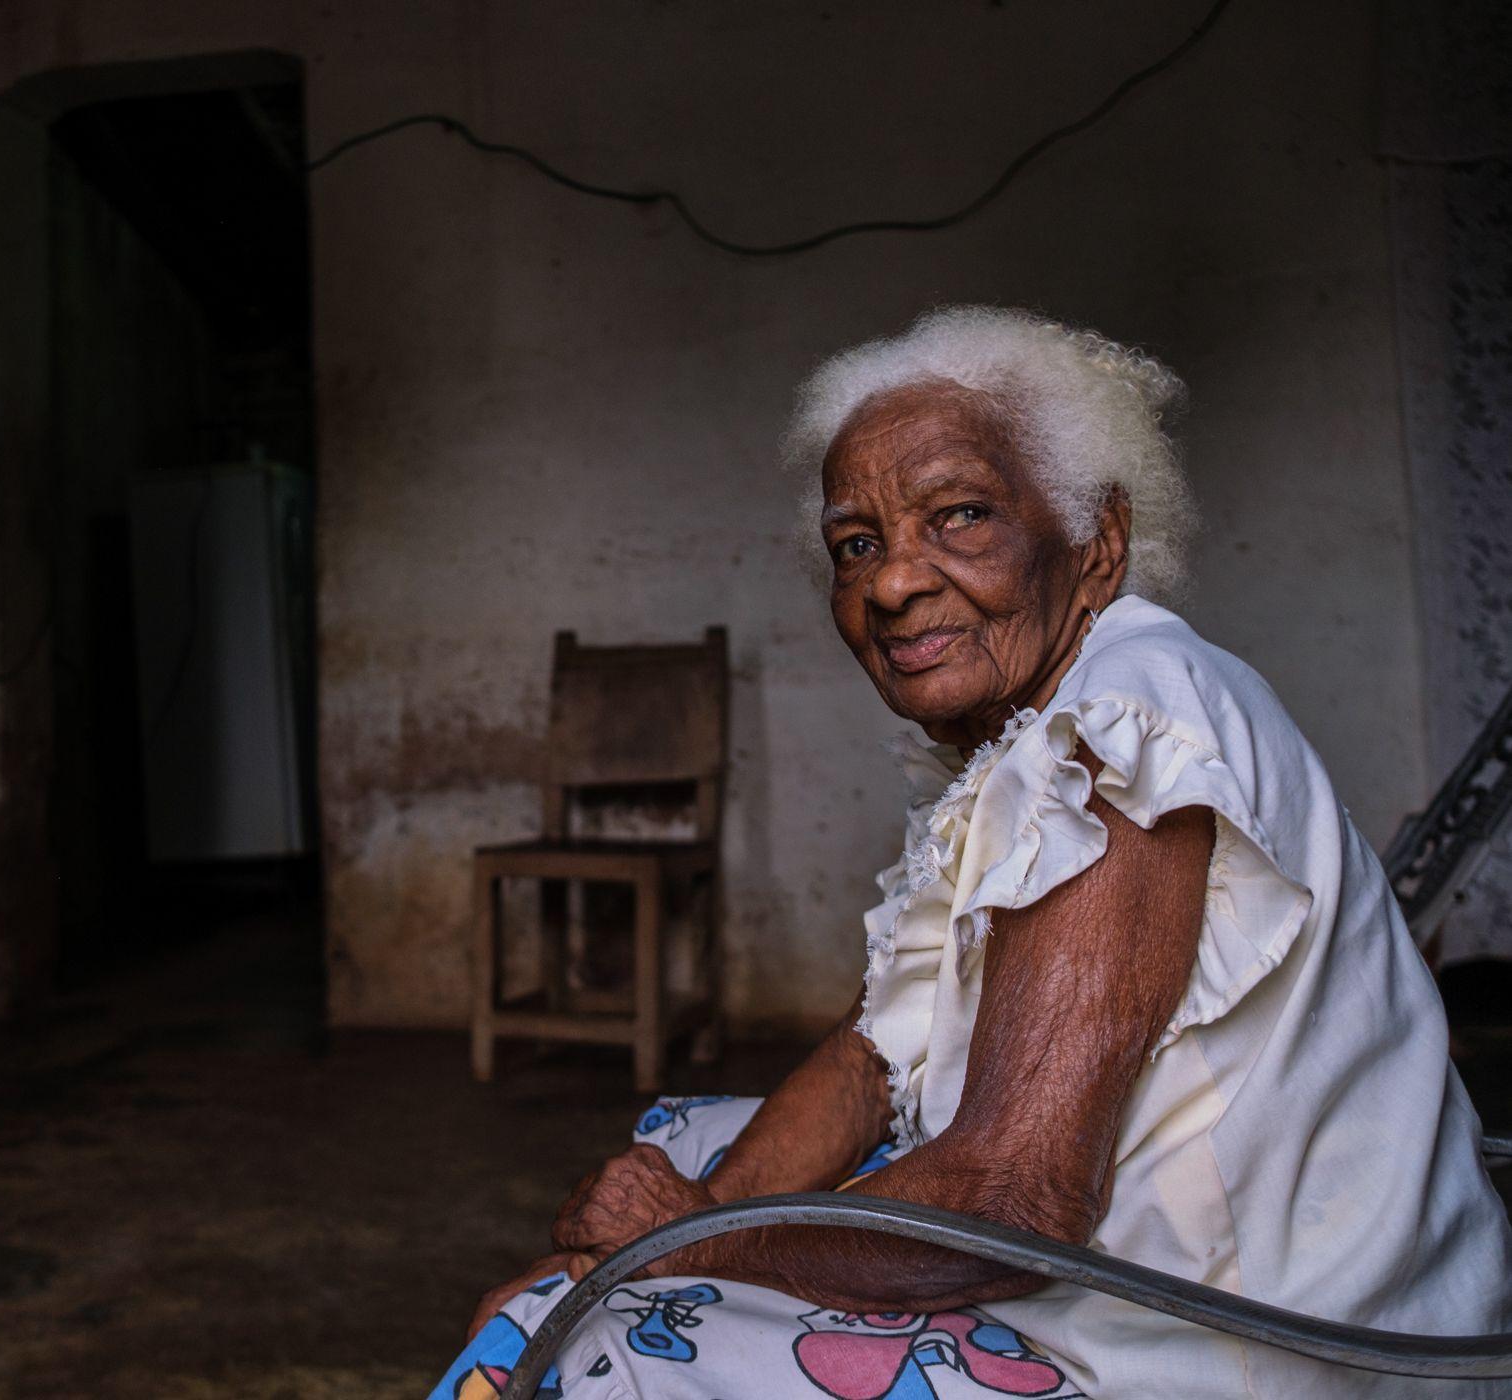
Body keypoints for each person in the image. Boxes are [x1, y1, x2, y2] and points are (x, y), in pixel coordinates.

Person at [434, 307, 1512, 1400]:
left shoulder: (1124, 731)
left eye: (958, 517)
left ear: (1099, 536)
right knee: (690, 1147)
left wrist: (669, 1246)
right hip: (1150, 1277)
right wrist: (672, 1226)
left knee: (579, 1343)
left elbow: (1010, 1202)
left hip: (1241, 1347)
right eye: (858, 544)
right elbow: (872, 1054)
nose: (893, 582)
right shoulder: (1021, 740)